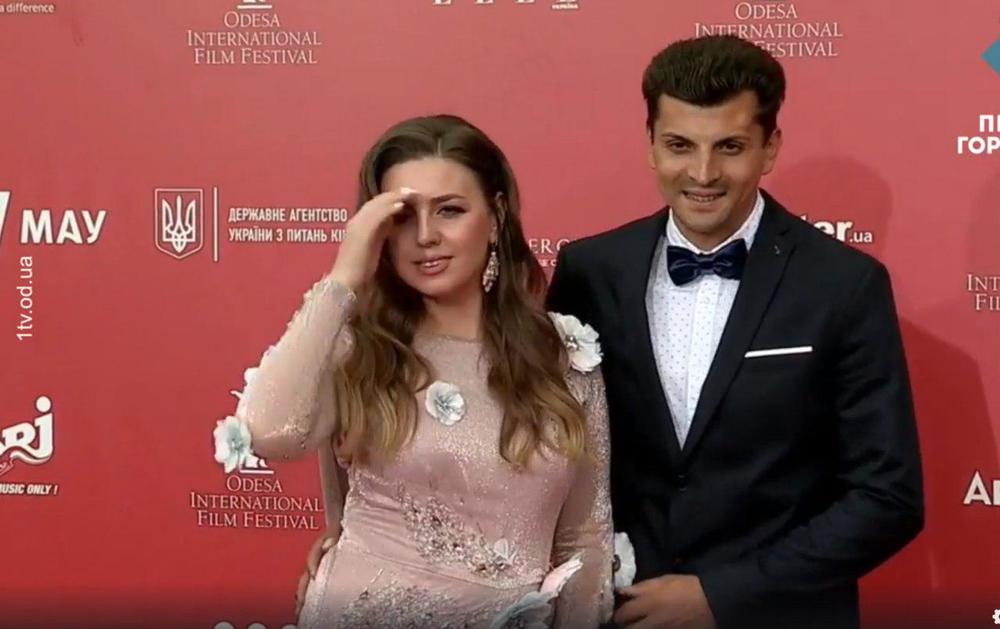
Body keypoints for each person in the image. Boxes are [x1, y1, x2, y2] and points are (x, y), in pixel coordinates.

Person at [545, 35, 924, 628]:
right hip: (618, 614)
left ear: (769, 148)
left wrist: (721, 596)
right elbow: (552, 456)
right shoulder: (589, 271)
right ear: (650, 143)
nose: (702, 173)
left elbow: (887, 497)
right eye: (679, 145)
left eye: (729, 147)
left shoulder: (845, 284)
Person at [225, 114, 613, 628]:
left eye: (450, 210)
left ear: (496, 216)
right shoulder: (356, 348)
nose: (426, 236)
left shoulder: (565, 360)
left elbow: (584, 542)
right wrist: (344, 278)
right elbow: (268, 432)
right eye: (404, 218)